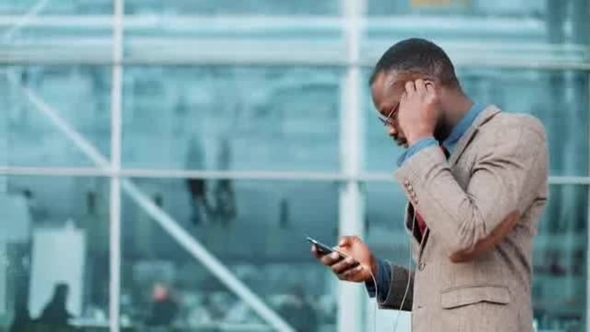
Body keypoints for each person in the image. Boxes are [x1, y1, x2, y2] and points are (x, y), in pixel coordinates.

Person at [311, 38, 548, 332]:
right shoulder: (438, 158)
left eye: (391, 113)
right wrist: (376, 272)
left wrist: (420, 137)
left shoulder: (513, 135)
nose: (389, 128)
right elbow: (451, 292)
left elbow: (467, 238)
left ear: (425, 90)